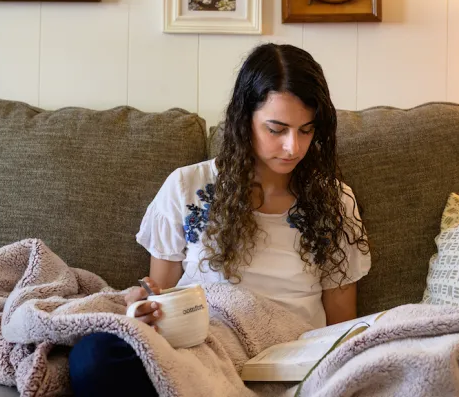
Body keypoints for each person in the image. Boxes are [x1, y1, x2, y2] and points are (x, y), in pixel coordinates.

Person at [68, 42, 371, 396]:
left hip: (289, 360)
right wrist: (144, 308)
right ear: (245, 121)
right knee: (92, 357)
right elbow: (160, 293)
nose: (294, 147)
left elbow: (341, 323)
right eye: (276, 129)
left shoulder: (334, 201)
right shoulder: (187, 186)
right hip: (203, 347)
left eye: (306, 130)